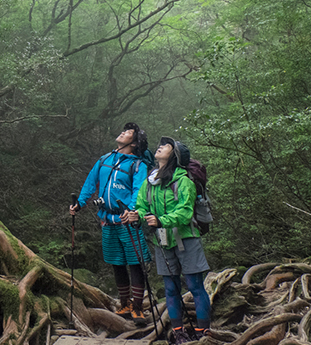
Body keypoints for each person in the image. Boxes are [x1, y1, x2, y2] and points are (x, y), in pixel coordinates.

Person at [123, 137, 212, 344]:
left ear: (174, 155)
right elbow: (142, 205)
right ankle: (178, 332)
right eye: (161, 145)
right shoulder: (150, 181)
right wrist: (136, 215)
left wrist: (161, 220)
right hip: (162, 241)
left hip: (187, 238)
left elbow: (185, 211)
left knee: (195, 286)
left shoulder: (184, 181)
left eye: (166, 146)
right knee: (171, 289)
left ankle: (203, 332)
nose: (160, 146)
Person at [70, 122, 152, 324]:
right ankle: (124, 304)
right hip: (107, 219)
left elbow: (139, 191)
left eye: (128, 133)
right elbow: (90, 183)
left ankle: (138, 308)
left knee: (135, 263)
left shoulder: (138, 165)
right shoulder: (104, 159)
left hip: (127, 220)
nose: (123, 133)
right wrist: (79, 204)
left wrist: (131, 211)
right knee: (117, 263)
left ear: (134, 143)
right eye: (124, 130)